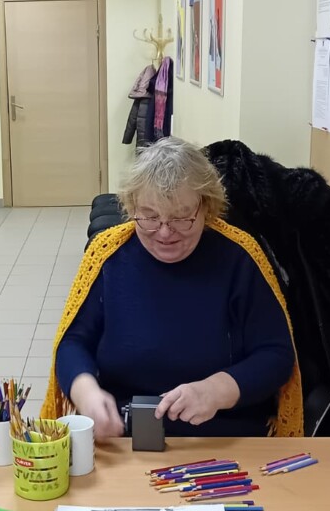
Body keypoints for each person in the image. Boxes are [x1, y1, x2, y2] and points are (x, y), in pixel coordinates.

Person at [40, 138, 303, 439]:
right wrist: (86, 393)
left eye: (181, 217)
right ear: (131, 207)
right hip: (124, 436)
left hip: (223, 437)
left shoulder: (240, 258)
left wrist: (216, 390)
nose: (164, 232)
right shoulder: (107, 256)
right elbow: (73, 342)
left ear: (206, 207)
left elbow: (276, 355)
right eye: (150, 216)